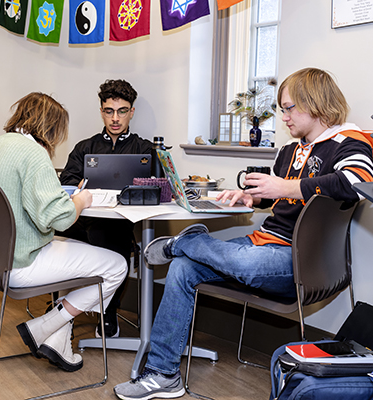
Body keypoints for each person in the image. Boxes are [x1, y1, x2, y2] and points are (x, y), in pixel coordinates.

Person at [114, 67, 373, 399]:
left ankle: (186, 242)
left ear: (316, 103)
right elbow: (281, 197)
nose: (284, 117)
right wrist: (255, 197)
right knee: (182, 268)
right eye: (282, 109)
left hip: (298, 259)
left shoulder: (347, 141)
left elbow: (355, 183)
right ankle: (163, 374)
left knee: (243, 263)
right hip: (259, 246)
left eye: (290, 108)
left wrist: (286, 186)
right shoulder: (291, 150)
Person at [0, 92, 127, 372]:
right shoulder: (33, 154)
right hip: (18, 263)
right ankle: (44, 327)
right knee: (116, 265)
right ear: (50, 128)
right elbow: (60, 218)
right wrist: (81, 200)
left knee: (69, 253)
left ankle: (58, 342)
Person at [59, 79, 153, 338]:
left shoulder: (144, 149)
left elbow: (156, 188)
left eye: (122, 111)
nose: (115, 118)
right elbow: (65, 184)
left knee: (111, 238)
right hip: (82, 221)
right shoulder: (85, 147)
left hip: (119, 222)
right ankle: (67, 312)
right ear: (101, 111)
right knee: (93, 236)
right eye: (109, 111)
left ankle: (107, 310)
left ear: (131, 112)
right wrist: (77, 186)